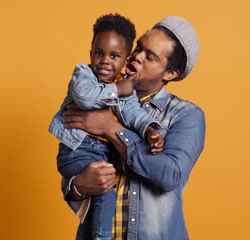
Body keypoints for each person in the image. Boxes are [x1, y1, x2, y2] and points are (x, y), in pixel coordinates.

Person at [62, 16, 206, 240]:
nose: (136, 57)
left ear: (170, 73)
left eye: (150, 57)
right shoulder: (97, 96)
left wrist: (110, 128)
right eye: (139, 47)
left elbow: (170, 175)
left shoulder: (185, 116)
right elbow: (74, 164)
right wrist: (79, 185)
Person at [49, 14, 165, 240]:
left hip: (99, 154)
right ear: (91, 53)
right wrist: (116, 90)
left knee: (103, 196)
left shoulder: (125, 87)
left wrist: (150, 129)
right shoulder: (84, 75)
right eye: (99, 53)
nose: (105, 61)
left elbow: (133, 113)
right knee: (106, 194)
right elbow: (85, 98)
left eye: (114, 56)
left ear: (125, 60)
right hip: (77, 152)